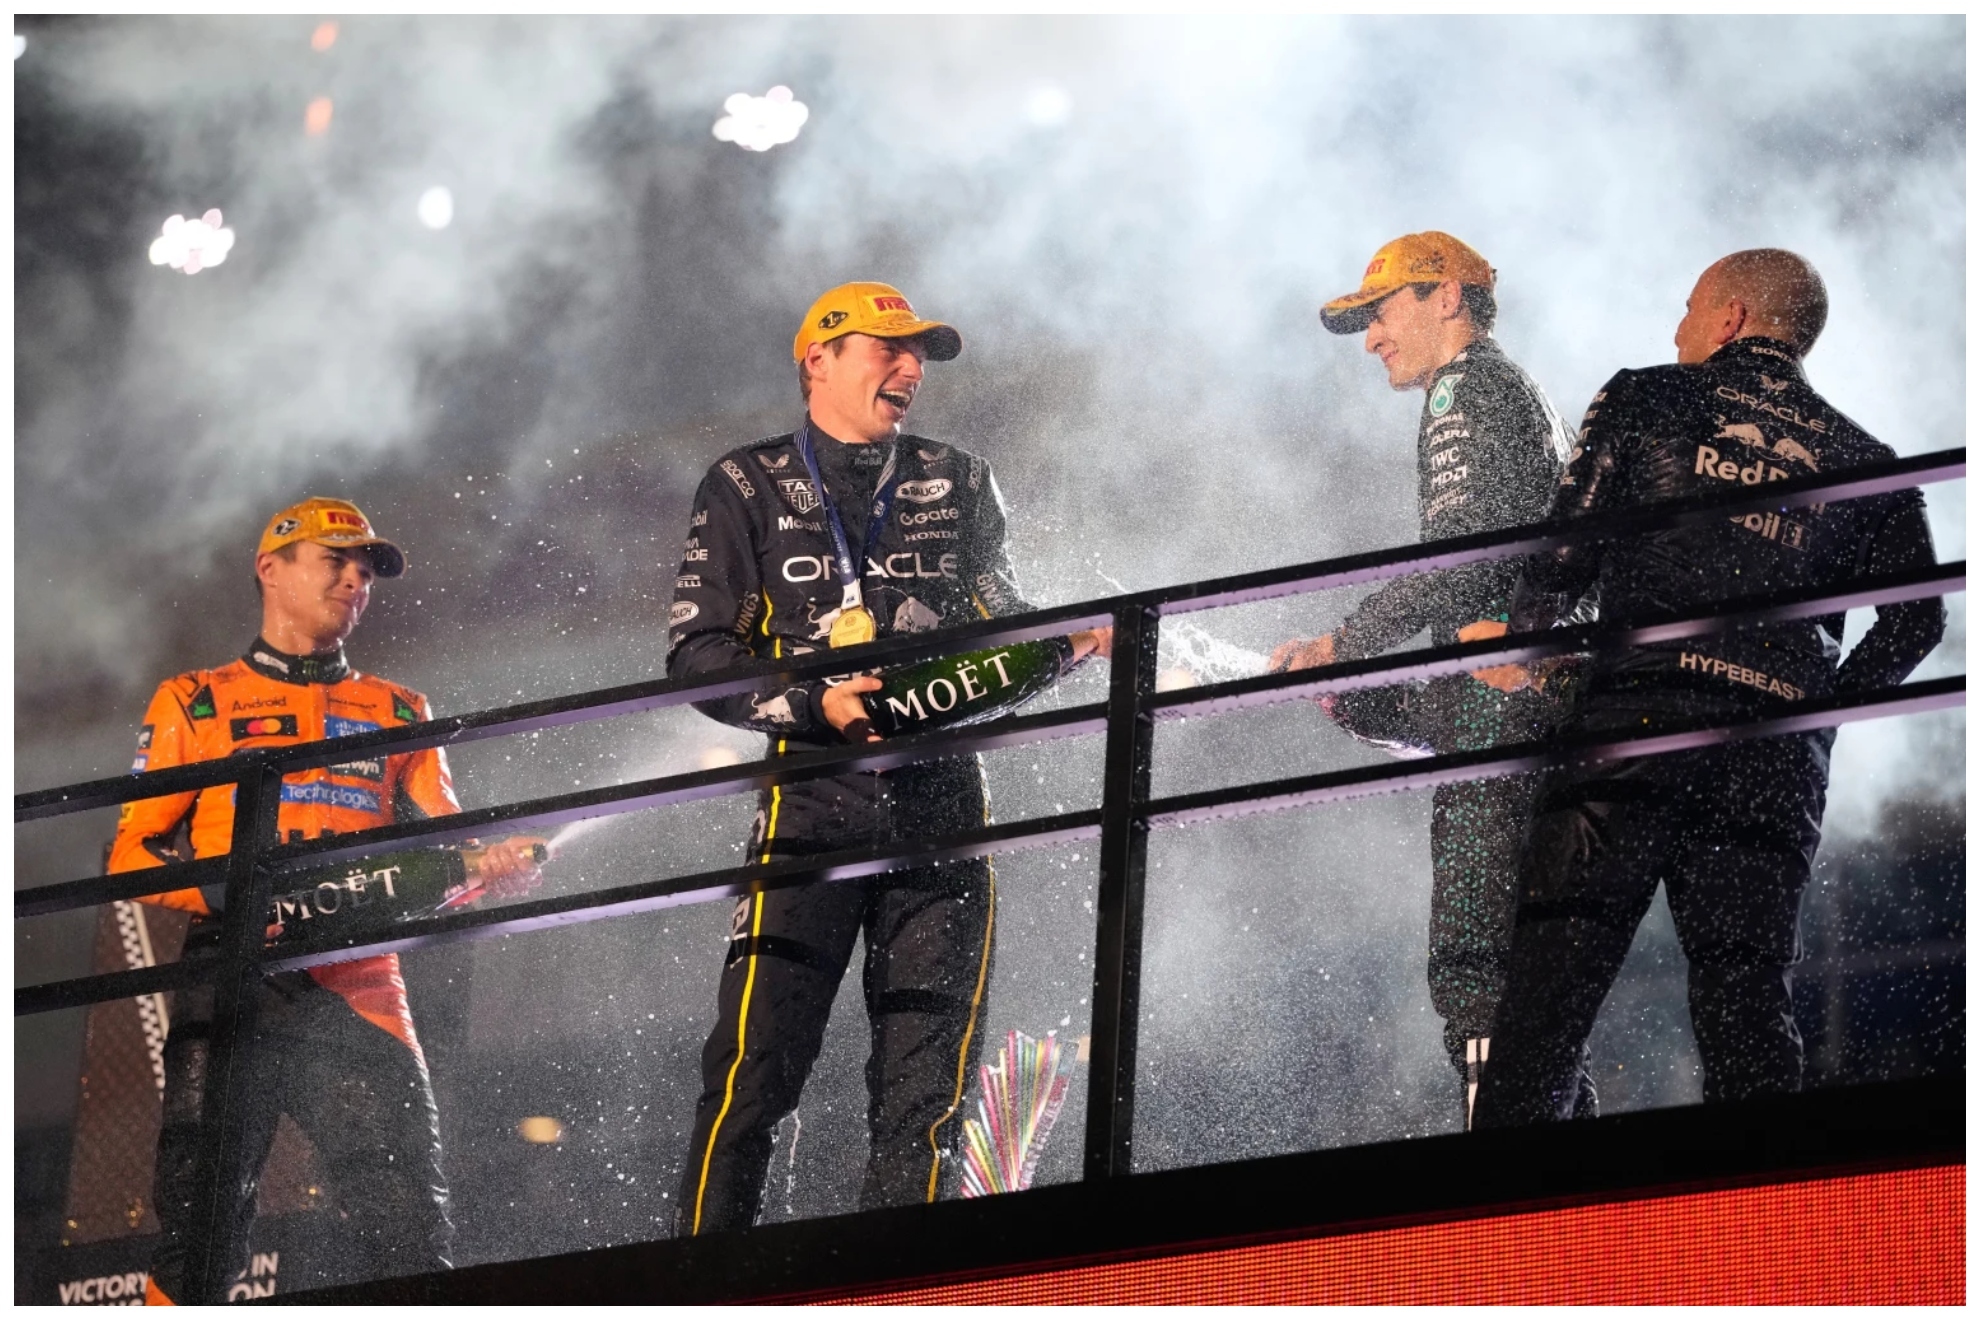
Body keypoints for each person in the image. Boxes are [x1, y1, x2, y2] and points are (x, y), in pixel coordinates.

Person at [669, 281, 1109, 1235]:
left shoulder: (961, 476)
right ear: (817, 359)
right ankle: (704, 1287)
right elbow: (697, 657)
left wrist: (1072, 640)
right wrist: (812, 700)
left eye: (922, 354)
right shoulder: (743, 482)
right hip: (807, 808)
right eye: (890, 347)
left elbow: (1004, 621)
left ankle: (903, 1291)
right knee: (753, 1074)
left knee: (927, 1099)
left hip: (944, 805)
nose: (910, 368)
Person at [1471, 249, 1946, 1126]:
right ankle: (1772, 1230)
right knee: (1748, 1009)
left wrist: (1524, 644)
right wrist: (1816, 713)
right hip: (1770, 756)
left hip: (1634, 728)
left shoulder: (1646, 394)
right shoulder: (1865, 457)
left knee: (1550, 995)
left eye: (1688, 308)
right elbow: (1919, 621)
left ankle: (1492, 1230)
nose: (1678, 327)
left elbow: (1564, 557)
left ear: (1730, 316)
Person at [112, 498, 543, 1303]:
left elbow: (451, 854)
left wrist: (492, 867)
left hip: (360, 983)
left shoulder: (400, 709)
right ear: (270, 568)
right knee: (198, 1238)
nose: (355, 580)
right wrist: (235, 898)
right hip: (232, 974)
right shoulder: (194, 699)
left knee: (411, 1234)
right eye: (335, 560)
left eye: (367, 569)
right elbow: (130, 851)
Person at [1268, 232, 1589, 1126]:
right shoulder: (1514, 392)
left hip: (1507, 703)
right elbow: (1481, 614)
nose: (1370, 337)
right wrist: (1363, 700)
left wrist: (1350, 636)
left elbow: (1463, 561)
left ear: (1445, 296)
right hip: (1529, 700)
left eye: (1380, 311)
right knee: (1534, 985)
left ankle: (1500, 1199)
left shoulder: (1467, 385)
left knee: (1475, 964)